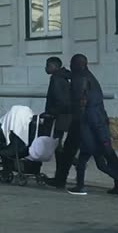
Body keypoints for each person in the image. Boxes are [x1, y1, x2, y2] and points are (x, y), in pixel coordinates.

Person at [67, 54, 118, 197]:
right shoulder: (90, 78)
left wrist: (99, 134)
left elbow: (87, 108)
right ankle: (84, 185)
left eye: (72, 64)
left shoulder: (81, 80)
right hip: (95, 126)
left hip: (93, 128)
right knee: (94, 158)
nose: (70, 66)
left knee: (100, 160)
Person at [43, 56, 76, 189]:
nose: (46, 68)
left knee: (58, 146)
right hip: (67, 116)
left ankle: (61, 175)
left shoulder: (56, 78)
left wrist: (51, 113)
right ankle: (64, 171)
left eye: (47, 65)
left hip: (60, 117)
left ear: (54, 66)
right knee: (60, 145)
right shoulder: (65, 76)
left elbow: (59, 100)